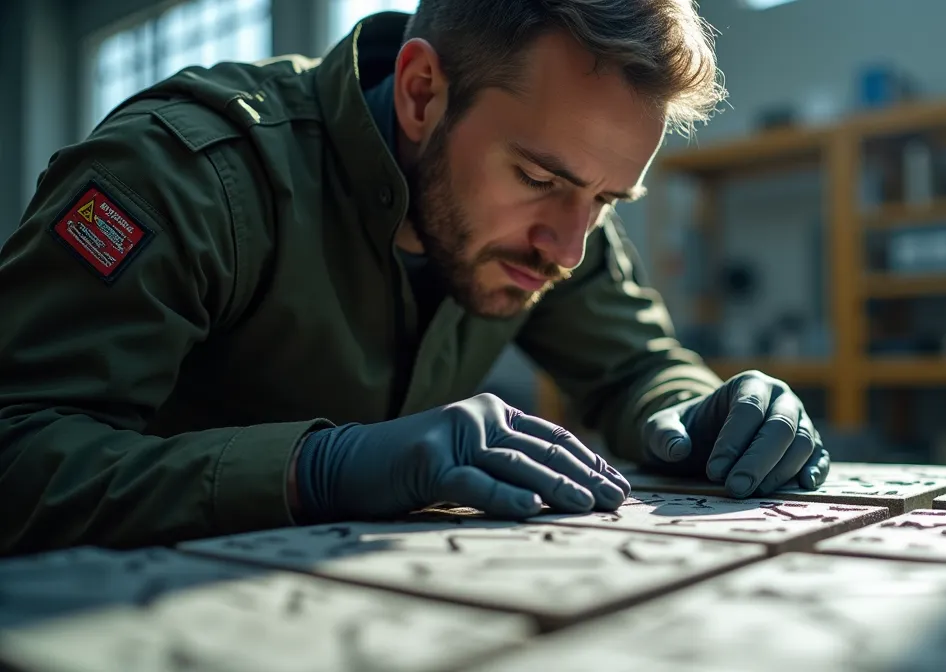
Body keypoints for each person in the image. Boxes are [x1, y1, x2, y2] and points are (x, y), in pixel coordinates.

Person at [0, 0, 828, 556]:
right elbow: (17, 448)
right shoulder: (185, 177)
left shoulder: (557, 226)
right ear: (423, 93)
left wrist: (690, 413)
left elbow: (637, 366)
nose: (569, 247)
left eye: (607, 199)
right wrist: (309, 469)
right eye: (538, 179)